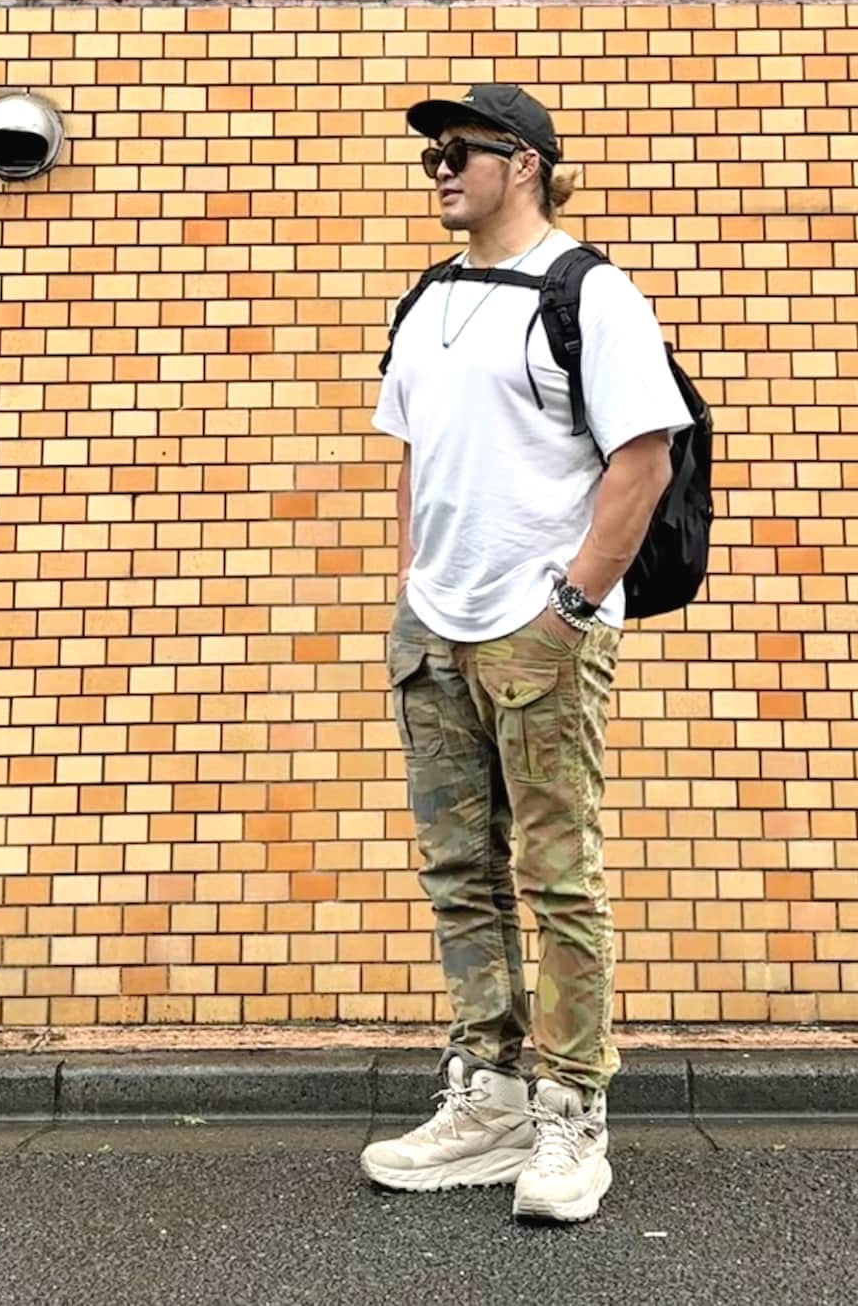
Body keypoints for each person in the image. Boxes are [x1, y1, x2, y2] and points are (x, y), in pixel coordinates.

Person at [359, 84, 693, 1222]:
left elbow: (642, 459)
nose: (441, 170)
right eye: (431, 158)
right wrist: (412, 588)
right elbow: (414, 455)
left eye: (461, 151)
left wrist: (568, 608)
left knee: (557, 877)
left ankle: (571, 1110)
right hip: (436, 629)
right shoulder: (426, 300)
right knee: (460, 874)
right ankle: (490, 1093)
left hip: (538, 632)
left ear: (527, 163)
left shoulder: (589, 293)